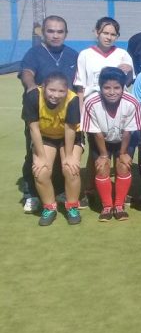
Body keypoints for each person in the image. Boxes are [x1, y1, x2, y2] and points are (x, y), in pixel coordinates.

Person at [18, 15, 79, 213]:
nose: (55, 35)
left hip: (65, 113)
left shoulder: (73, 55)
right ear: (43, 33)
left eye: (59, 31)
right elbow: (27, 72)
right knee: (35, 156)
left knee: (65, 158)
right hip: (40, 113)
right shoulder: (34, 53)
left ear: (66, 34)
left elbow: (79, 83)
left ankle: (62, 193)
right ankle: (32, 194)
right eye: (50, 31)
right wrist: (30, 88)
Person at [83, 67, 141, 221]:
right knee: (102, 167)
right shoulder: (91, 102)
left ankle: (119, 205)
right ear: (100, 87)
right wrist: (103, 155)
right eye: (107, 88)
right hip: (101, 139)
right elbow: (96, 133)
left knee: (123, 166)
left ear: (123, 87)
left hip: (124, 139)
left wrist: (123, 154)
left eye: (116, 88)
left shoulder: (132, 102)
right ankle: (107, 206)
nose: (112, 92)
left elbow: (128, 132)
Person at [24, 72, 83, 226]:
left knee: (71, 168)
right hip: (45, 136)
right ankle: (50, 207)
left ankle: (72, 206)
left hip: (68, 137)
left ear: (67, 90)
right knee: (41, 170)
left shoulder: (73, 99)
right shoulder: (33, 97)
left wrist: (69, 155)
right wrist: (41, 157)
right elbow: (33, 129)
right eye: (52, 90)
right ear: (43, 87)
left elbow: (70, 129)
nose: (56, 95)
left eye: (61, 91)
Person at [73, 17, 134, 106]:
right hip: (92, 104)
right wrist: (81, 111)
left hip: (117, 104)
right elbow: (81, 87)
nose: (109, 37)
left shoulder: (123, 54)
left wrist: (130, 71)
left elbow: (128, 83)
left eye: (113, 34)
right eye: (105, 33)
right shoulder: (85, 54)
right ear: (97, 32)